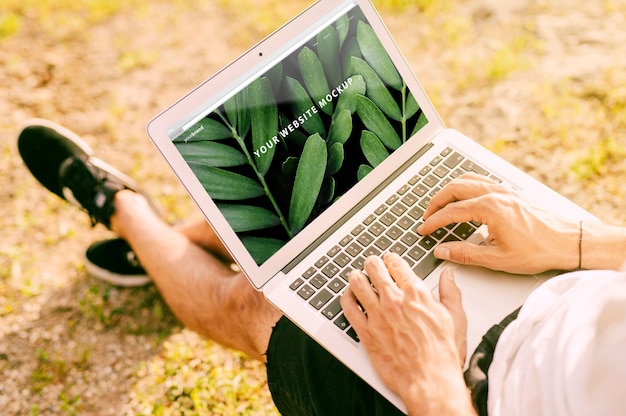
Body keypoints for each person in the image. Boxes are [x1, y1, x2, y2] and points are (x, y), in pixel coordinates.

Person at [18, 119, 626, 415]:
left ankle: (120, 208)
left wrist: (431, 381)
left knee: (262, 305)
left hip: (472, 394)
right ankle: (175, 246)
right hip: (568, 282)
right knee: (348, 199)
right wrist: (582, 242)